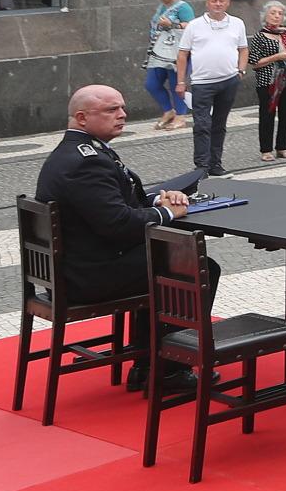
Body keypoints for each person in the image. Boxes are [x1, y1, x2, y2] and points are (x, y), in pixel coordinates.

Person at [35, 84, 216, 394]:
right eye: (111, 110)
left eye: (121, 108)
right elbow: (118, 224)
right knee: (195, 268)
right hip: (89, 275)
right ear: (81, 117)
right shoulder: (85, 162)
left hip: (82, 264)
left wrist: (157, 202)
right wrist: (168, 215)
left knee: (167, 262)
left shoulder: (80, 151)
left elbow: (116, 203)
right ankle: (168, 370)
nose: (122, 115)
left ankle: (149, 362)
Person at [175, 0, 246, 177]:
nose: (218, 4)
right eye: (214, 0)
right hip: (202, 83)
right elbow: (182, 54)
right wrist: (180, 81)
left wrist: (241, 70)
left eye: (222, 0)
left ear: (228, 2)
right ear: (207, 3)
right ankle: (202, 167)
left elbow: (243, 48)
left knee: (219, 124)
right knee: (202, 125)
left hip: (229, 81)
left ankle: (216, 165)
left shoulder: (237, 23)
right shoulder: (195, 25)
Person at [249, 1, 286, 162]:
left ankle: (282, 147)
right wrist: (276, 57)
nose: (276, 16)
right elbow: (254, 62)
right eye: (273, 13)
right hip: (268, 81)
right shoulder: (260, 36)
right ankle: (266, 150)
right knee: (267, 115)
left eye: (279, 13)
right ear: (265, 16)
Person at [144, 0, 193, 132]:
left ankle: (180, 116)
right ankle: (168, 111)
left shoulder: (183, 7)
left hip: (177, 53)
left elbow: (190, 26)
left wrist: (172, 25)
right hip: (159, 52)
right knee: (151, 83)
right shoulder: (161, 8)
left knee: (175, 84)